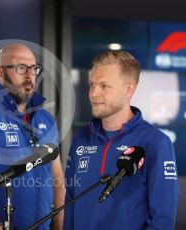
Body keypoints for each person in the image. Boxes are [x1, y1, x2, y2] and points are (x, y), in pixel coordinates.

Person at [63, 50, 179, 230]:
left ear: (128, 90)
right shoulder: (80, 139)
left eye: (104, 86)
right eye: (92, 85)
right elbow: (70, 203)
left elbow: (162, 220)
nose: (94, 93)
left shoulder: (156, 143)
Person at [0, 44, 65, 229]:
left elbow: (57, 178)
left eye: (34, 69)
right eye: (21, 68)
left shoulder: (47, 119)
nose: (29, 76)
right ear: (0, 73)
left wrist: (59, 226)